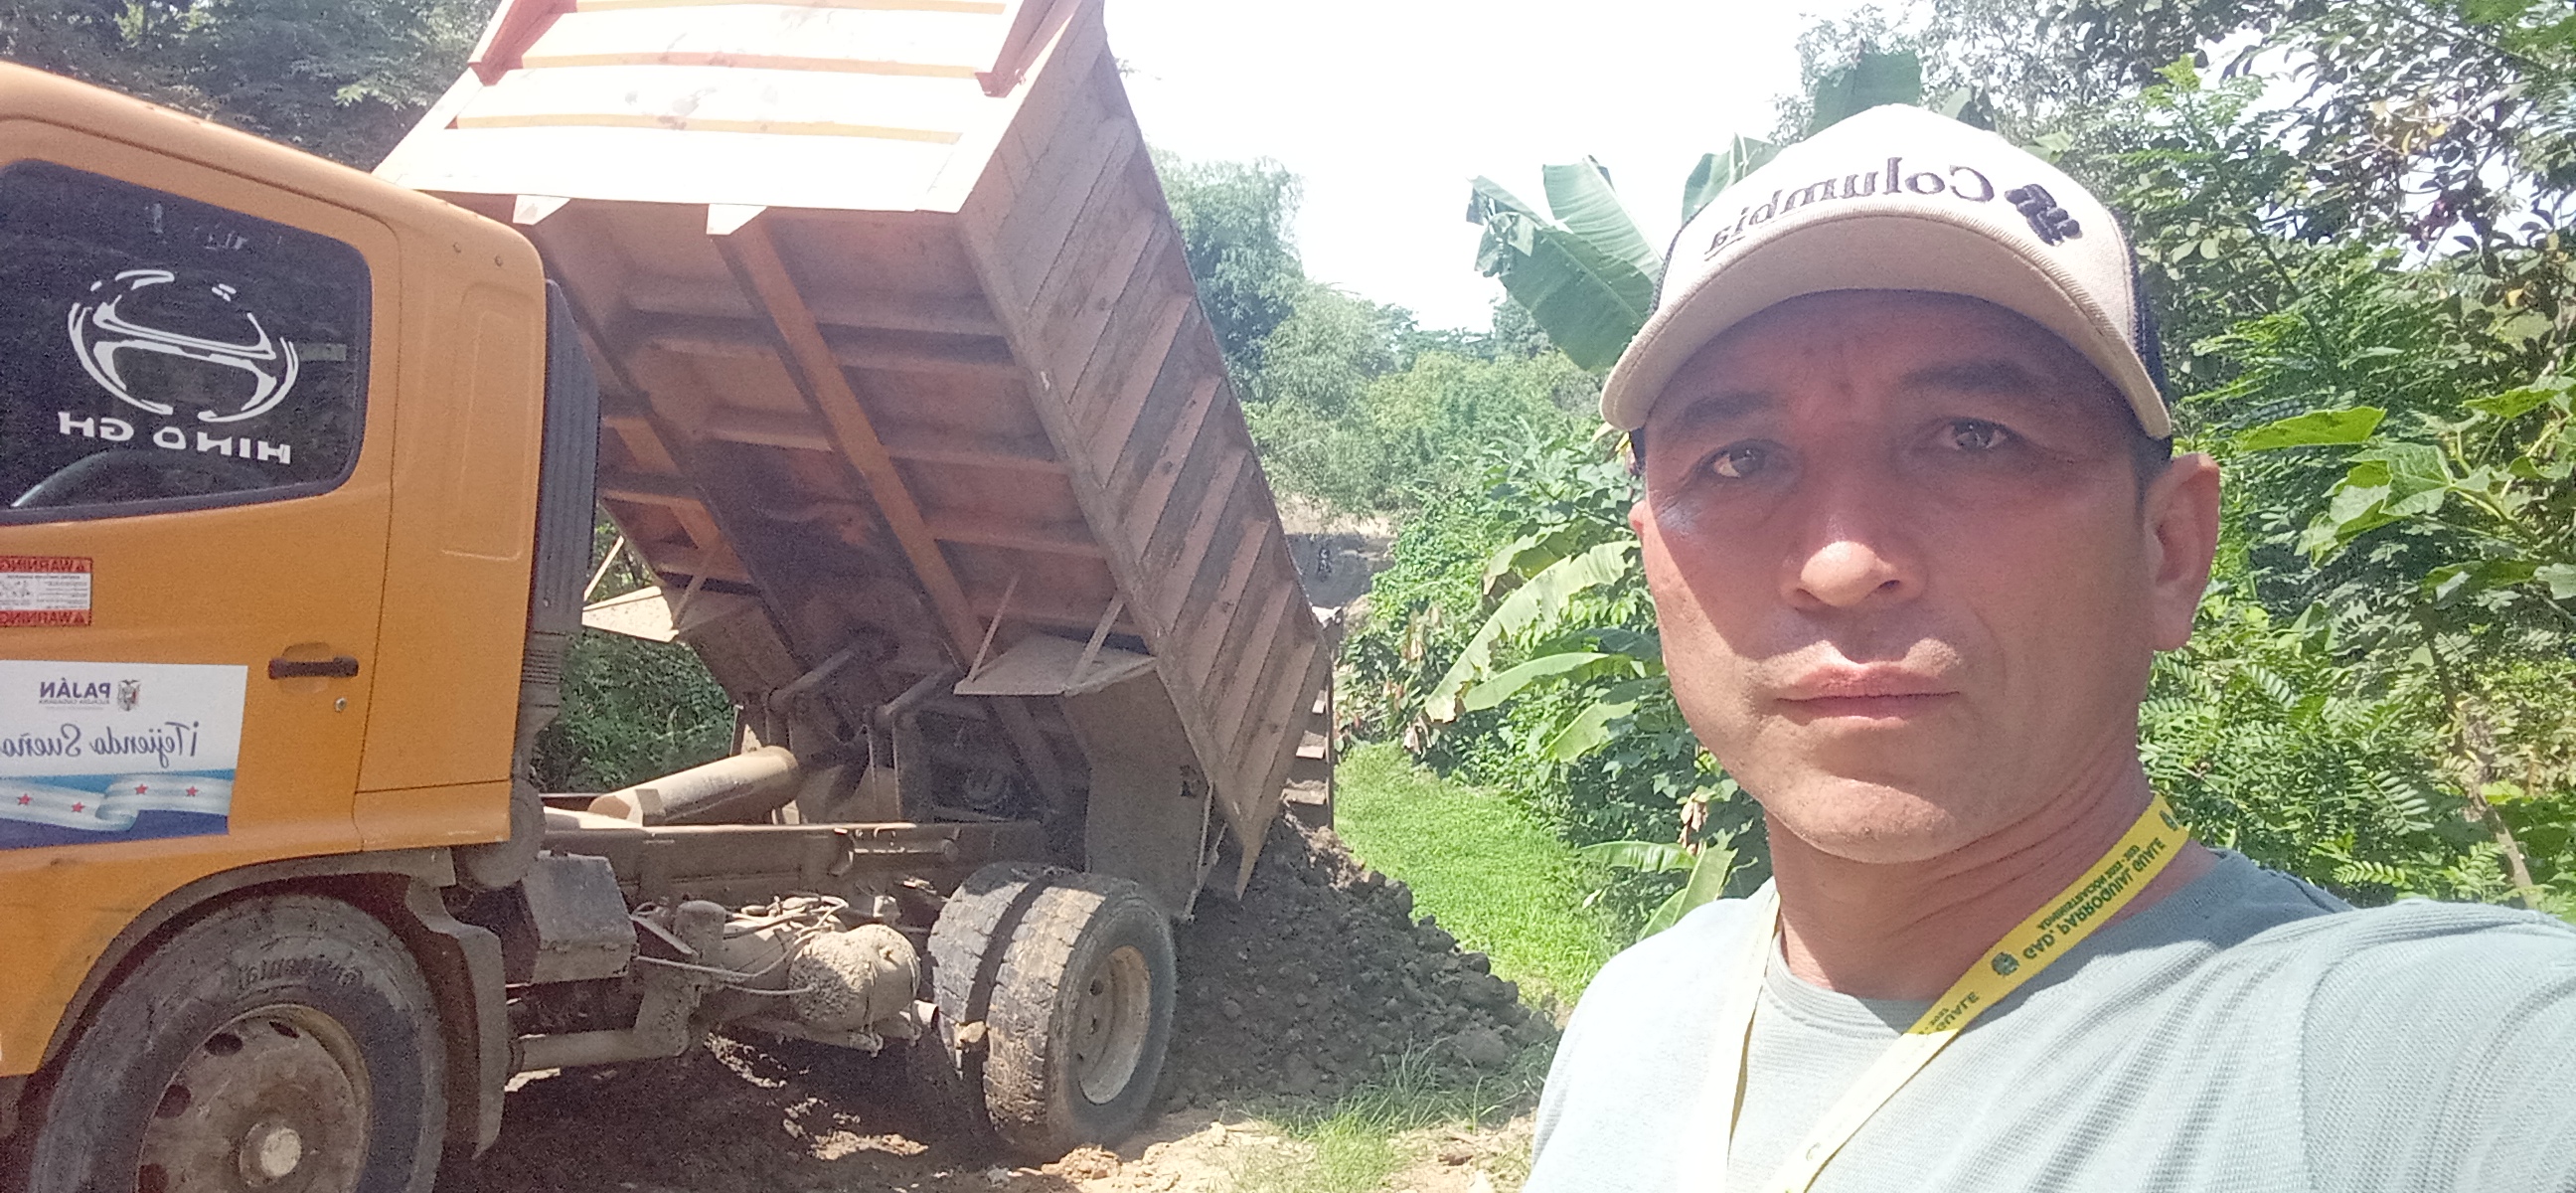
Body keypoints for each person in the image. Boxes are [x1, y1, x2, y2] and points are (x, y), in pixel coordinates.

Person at [1523, 103, 2576, 1193]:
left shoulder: (2428, 1064)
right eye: (1739, 460)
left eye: (1974, 438)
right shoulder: (1636, 1016)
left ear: (2168, 551)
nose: (1841, 562)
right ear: (1652, 557)